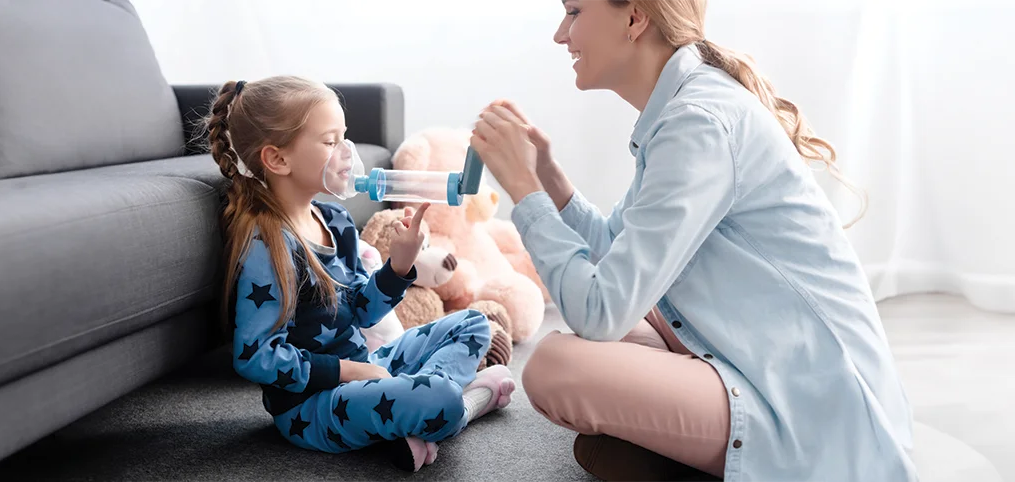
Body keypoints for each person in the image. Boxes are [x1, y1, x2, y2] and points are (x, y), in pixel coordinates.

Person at [469, 0, 917, 481]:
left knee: (554, 366)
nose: (561, 34)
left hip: (812, 407)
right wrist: (552, 183)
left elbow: (600, 310)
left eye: (575, 11)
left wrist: (525, 192)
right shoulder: (682, 109)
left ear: (635, 18)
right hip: (756, 357)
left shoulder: (698, 121)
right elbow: (615, 258)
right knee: (621, 331)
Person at [205, 75, 516, 472]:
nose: (347, 154)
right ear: (278, 159)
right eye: (330, 141)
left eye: (344, 138)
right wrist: (352, 371)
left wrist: (399, 266)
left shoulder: (334, 219)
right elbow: (254, 357)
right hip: (314, 405)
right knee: (440, 399)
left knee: (474, 325)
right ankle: (463, 401)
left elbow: (361, 312)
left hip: (366, 368)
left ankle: (418, 411)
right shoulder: (269, 245)